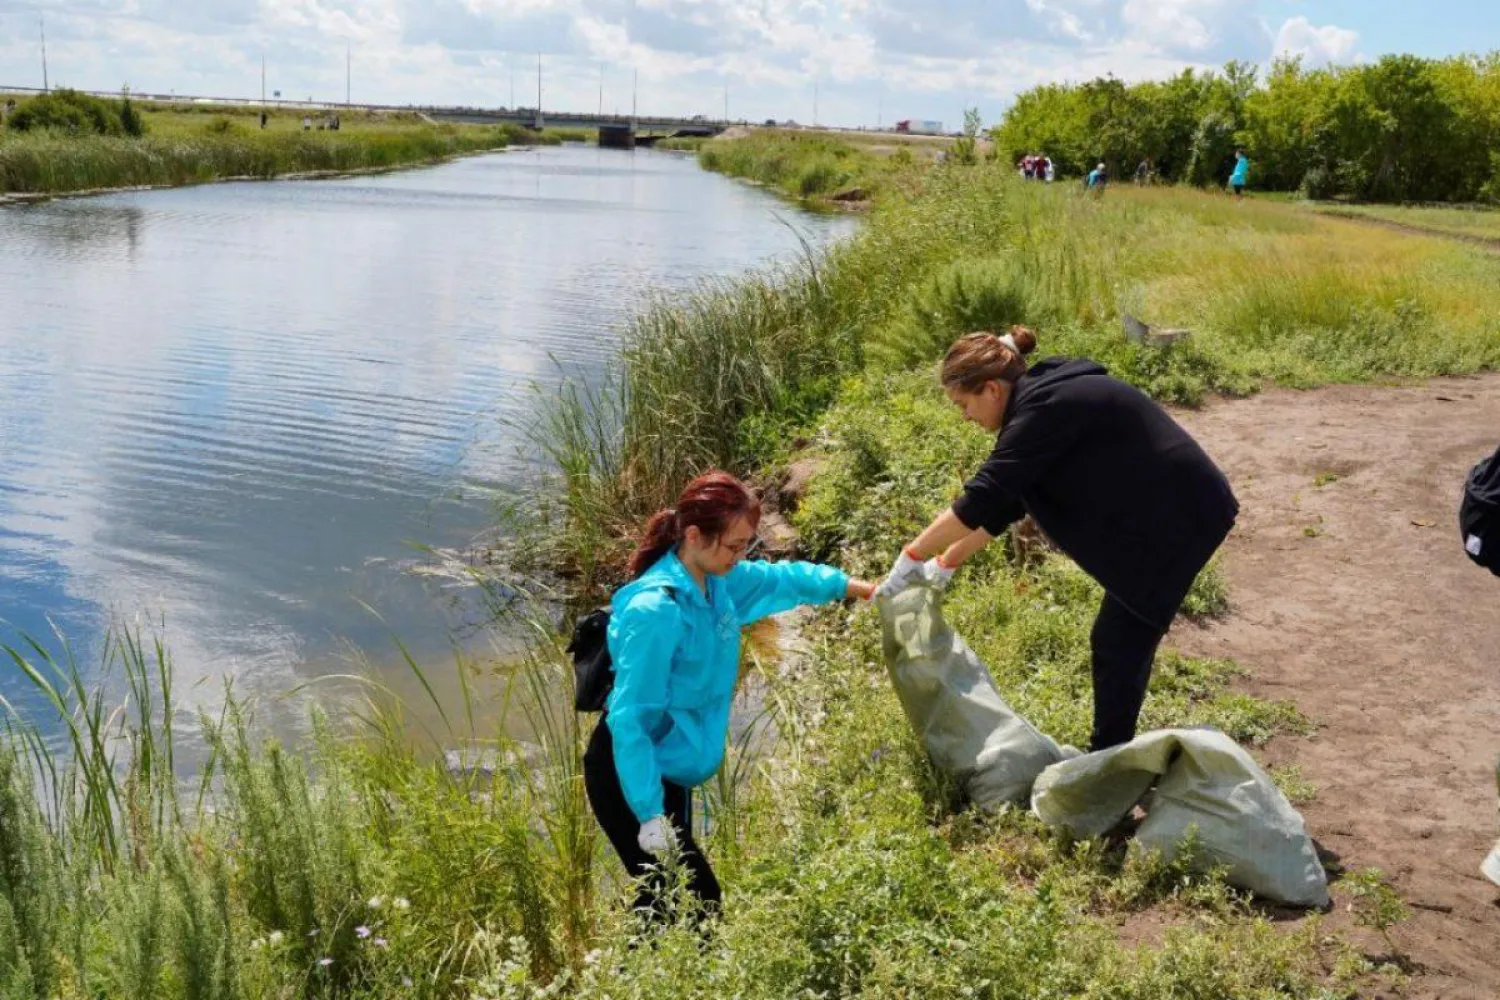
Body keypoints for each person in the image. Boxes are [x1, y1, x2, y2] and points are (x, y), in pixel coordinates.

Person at [875, 328, 1238, 752]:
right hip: (1171, 507)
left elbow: (984, 497)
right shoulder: (1039, 400)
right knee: (1120, 639)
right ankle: (1110, 757)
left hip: (1182, 512)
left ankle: (1108, 765)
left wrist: (911, 557)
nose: (965, 417)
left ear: (991, 389)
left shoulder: (1043, 409)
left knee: (1120, 641)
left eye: (964, 404)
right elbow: (1006, 504)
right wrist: (945, 564)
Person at [586, 471, 877, 925]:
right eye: (733, 546)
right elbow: (631, 720)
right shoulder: (657, 611)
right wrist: (648, 814)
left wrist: (856, 588)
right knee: (693, 906)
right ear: (694, 535)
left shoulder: (720, 582)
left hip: (669, 770)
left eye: (746, 546)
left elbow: (785, 580)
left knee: (668, 906)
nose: (739, 557)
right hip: (629, 771)